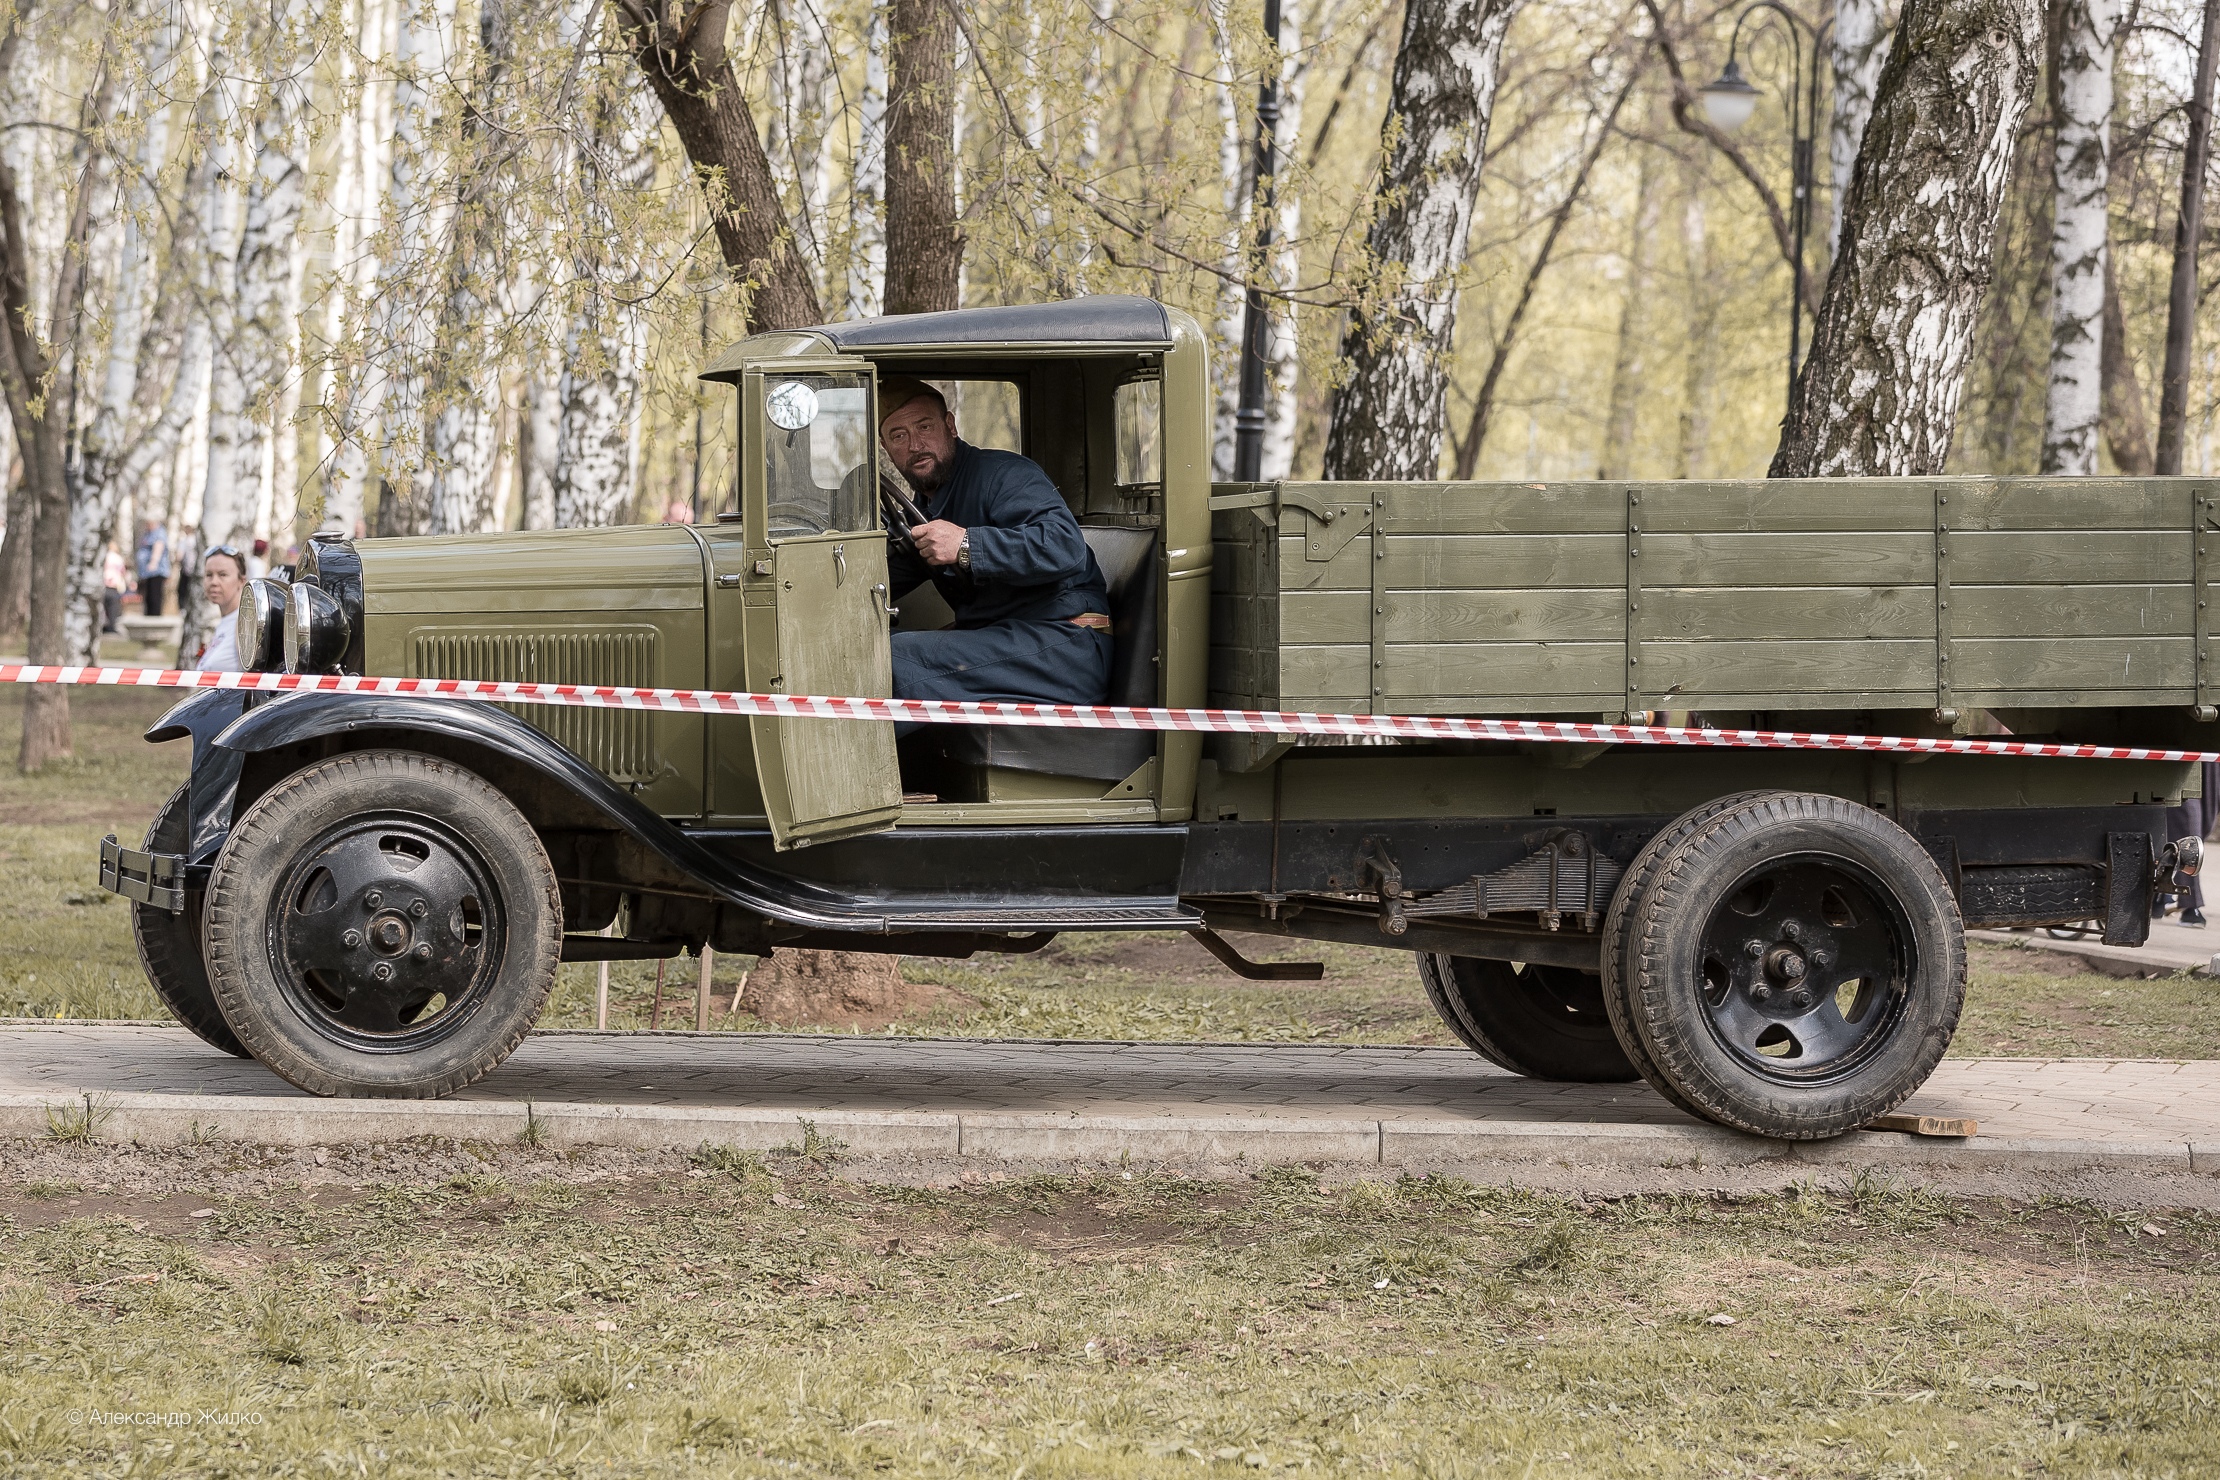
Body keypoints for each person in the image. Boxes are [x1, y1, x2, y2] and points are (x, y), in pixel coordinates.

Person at [878, 379, 1112, 717]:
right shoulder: (924, 511)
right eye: (899, 436)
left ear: (950, 426)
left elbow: (1064, 545)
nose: (915, 444)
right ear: (885, 448)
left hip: (1063, 647)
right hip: (1009, 643)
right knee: (867, 648)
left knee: (892, 660)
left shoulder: (1003, 474)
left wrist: (967, 544)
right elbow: (880, 578)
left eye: (924, 426)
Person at [194, 545, 246, 672]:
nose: (214, 582)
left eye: (222, 575)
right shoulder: (224, 623)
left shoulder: (245, 625)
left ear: (241, 581)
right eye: (209, 575)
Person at [134, 518, 171, 618]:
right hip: (146, 572)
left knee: (154, 596)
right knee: (148, 597)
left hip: (155, 571)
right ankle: (149, 616)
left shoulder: (159, 533)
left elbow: (158, 547)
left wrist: (153, 562)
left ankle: (154, 618)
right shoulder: (148, 533)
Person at [101, 542, 127, 634]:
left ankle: (103, 624)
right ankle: (111, 626)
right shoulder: (118, 558)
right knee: (113, 607)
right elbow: (123, 572)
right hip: (114, 585)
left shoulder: (104, 556)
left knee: (103, 607)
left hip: (103, 584)